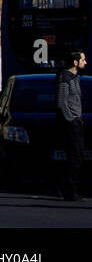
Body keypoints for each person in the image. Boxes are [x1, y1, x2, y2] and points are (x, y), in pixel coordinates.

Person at [55, 48, 86, 201]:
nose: (85, 62)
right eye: (83, 60)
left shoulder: (74, 78)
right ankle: (69, 190)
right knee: (74, 156)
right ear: (75, 62)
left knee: (77, 156)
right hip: (71, 123)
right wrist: (71, 119)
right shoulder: (65, 78)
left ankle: (64, 187)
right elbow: (62, 102)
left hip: (77, 121)